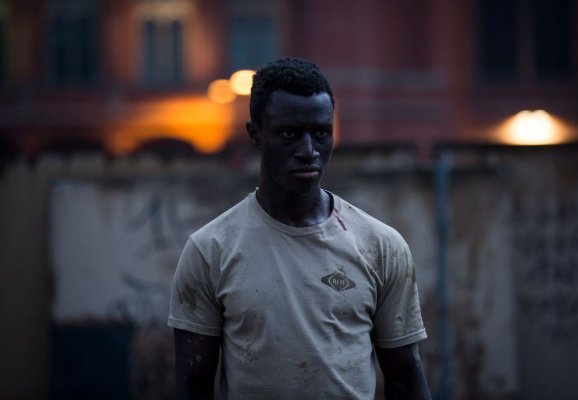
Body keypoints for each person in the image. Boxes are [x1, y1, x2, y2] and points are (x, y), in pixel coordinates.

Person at [168, 57, 431, 399]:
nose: (308, 151)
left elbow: (406, 379)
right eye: (289, 134)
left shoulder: (380, 245)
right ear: (256, 135)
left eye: (321, 133)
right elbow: (192, 389)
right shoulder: (211, 250)